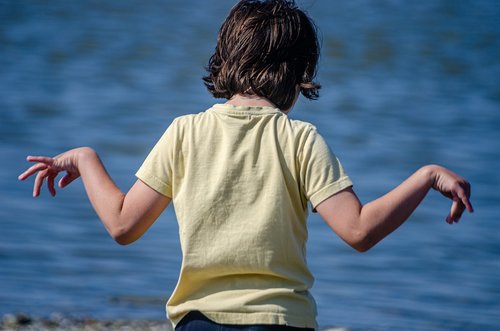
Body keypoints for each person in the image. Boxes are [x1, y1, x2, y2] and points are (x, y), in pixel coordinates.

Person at [18, 0, 473, 330]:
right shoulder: (300, 138)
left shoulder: (184, 132)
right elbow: (359, 232)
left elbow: (123, 226)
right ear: (299, 75)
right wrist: (425, 175)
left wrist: (86, 158)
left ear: (226, 59)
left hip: (199, 321)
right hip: (282, 321)